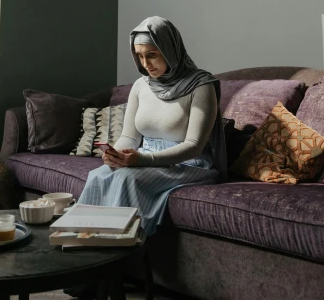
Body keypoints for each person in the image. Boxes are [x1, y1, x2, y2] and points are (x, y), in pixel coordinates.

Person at [76, 16, 226, 236]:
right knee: (98, 175)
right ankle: (84, 242)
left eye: (152, 55)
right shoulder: (141, 85)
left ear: (170, 50)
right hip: (145, 156)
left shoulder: (201, 85)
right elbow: (129, 135)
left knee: (128, 179)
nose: (145, 64)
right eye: (139, 56)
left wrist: (142, 160)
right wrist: (115, 154)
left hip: (188, 163)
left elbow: (194, 145)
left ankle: (121, 252)